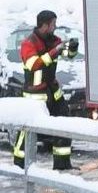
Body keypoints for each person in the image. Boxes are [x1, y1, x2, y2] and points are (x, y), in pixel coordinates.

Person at [12, 10, 79, 171]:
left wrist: (72, 49)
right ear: (44, 25)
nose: (55, 27)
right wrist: (54, 51)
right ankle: (20, 165)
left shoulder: (54, 40)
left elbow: (66, 54)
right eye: (53, 24)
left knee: (64, 125)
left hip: (53, 92)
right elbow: (33, 64)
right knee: (28, 130)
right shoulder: (29, 43)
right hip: (35, 95)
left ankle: (62, 164)